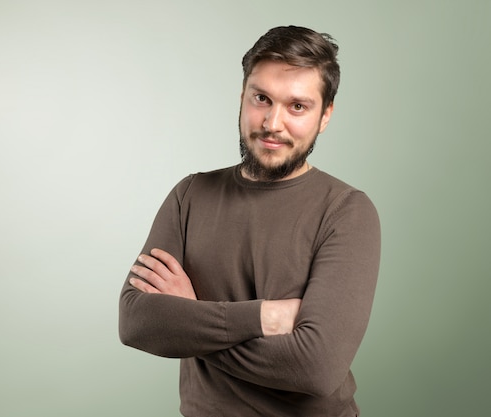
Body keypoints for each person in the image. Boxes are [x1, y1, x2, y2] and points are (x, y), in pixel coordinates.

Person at [118, 25, 381, 416]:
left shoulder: (346, 210)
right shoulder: (190, 195)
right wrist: (264, 317)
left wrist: (191, 319)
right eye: (262, 98)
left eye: (297, 106)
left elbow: (317, 368)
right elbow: (137, 322)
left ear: (324, 116)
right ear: (242, 98)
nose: (273, 123)